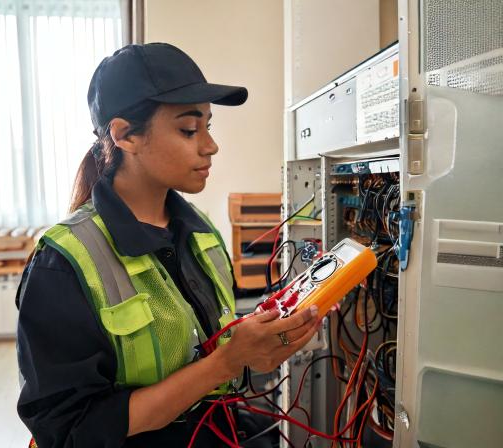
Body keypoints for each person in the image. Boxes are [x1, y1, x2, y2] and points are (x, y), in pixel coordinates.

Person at [16, 42, 321, 448]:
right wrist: (225, 363)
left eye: (209, 126)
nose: (210, 145)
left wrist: (255, 346)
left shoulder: (202, 234)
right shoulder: (64, 263)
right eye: (188, 129)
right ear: (125, 135)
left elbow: (208, 350)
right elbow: (70, 431)